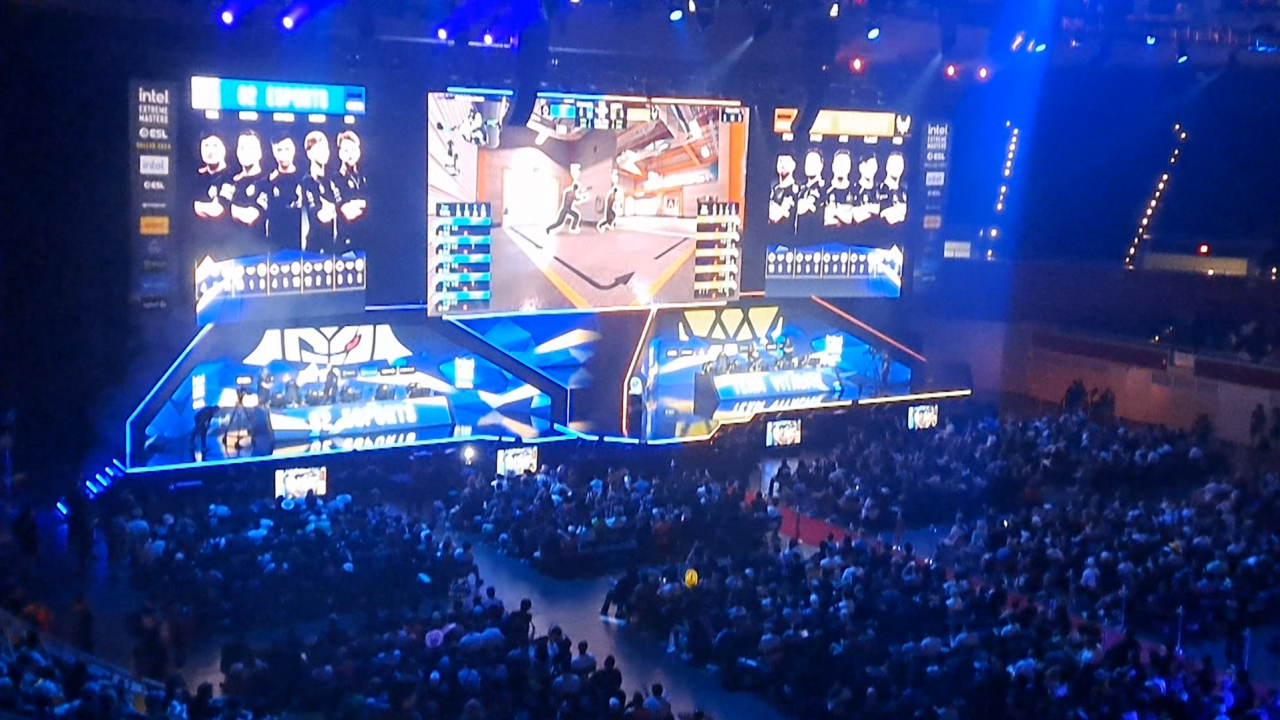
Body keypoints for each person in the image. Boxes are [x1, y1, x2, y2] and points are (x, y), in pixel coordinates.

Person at [300, 131, 337, 252]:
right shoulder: (307, 181)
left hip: (333, 245)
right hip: (315, 246)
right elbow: (319, 214)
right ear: (309, 153)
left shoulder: (331, 180)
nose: (324, 152)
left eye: (326, 148)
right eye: (319, 148)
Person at [266, 135, 303, 249]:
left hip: (298, 241)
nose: (283, 154)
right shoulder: (268, 180)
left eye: (287, 149)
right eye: (279, 150)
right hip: (273, 242)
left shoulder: (304, 178)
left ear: (294, 150)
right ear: (273, 152)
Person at [229, 130, 268, 236]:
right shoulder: (230, 180)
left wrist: (224, 209)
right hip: (226, 246)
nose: (246, 152)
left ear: (260, 153)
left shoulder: (266, 181)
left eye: (251, 148)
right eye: (242, 148)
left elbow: (250, 217)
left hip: (255, 248)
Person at [334, 130, 368, 250]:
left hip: (365, 236)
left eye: (354, 150)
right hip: (346, 238)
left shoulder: (364, 175)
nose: (351, 154)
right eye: (346, 150)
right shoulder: (335, 177)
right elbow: (345, 210)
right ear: (339, 153)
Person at [194, 133, 231, 221]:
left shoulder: (231, 176)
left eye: (215, 146)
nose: (210, 151)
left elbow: (217, 211)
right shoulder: (195, 175)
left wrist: (195, 205)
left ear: (224, 148)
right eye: (206, 145)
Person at [546, 163, 588, 234]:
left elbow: (570, 198)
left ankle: (572, 227)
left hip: (566, 209)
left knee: (572, 217)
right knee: (560, 222)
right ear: (576, 188)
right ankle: (549, 228)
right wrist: (583, 198)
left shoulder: (569, 191)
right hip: (567, 209)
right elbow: (576, 199)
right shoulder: (572, 193)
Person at [795, 149, 825, 233]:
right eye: (807, 162)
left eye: (813, 162)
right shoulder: (801, 188)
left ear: (821, 165)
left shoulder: (824, 188)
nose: (809, 165)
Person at [823, 150, 855, 227]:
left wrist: (835, 212)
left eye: (845, 163)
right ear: (833, 166)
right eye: (839, 163)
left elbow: (854, 219)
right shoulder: (823, 190)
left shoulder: (856, 190)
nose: (841, 166)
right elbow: (825, 220)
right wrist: (845, 214)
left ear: (850, 167)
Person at [768, 154, 798, 226]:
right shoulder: (774, 188)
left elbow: (776, 217)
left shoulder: (795, 190)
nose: (783, 165)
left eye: (787, 161)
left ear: (794, 165)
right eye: (780, 161)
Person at [852, 153, 881, 224]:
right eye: (866, 164)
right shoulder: (853, 189)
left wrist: (864, 209)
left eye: (872, 165)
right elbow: (856, 216)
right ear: (860, 167)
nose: (869, 168)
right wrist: (873, 209)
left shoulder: (880, 189)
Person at [879, 151, 907, 225]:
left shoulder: (905, 192)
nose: (897, 167)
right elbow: (890, 218)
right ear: (887, 166)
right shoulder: (879, 189)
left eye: (899, 164)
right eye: (894, 164)